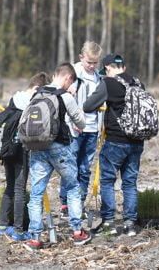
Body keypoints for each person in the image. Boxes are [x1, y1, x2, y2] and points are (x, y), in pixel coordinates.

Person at [24, 63, 92, 249]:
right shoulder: (65, 96)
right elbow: (81, 123)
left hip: (37, 147)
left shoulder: (37, 93)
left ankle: (35, 238)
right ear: (68, 78)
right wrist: (74, 102)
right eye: (71, 82)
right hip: (58, 147)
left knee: (36, 193)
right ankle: (77, 232)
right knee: (73, 187)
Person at [82, 53, 146, 236]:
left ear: (108, 68)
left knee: (108, 181)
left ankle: (109, 222)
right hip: (137, 141)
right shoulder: (138, 83)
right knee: (130, 183)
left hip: (116, 140)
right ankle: (130, 224)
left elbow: (88, 106)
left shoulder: (108, 83)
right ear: (123, 67)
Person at [0, 71, 49, 242]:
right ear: (37, 88)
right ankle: (18, 230)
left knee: (10, 186)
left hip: (7, 150)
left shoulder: (14, 98)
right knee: (20, 189)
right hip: (21, 150)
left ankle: (2, 225)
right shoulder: (32, 103)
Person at [60, 41, 104, 219]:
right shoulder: (73, 74)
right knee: (71, 166)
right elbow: (62, 96)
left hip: (92, 128)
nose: (92, 66)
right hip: (74, 128)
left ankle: (79, 203)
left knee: (85, 169)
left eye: (95, 63)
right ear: (81, 58)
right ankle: (65, 203)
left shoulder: (99, 77)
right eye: (89, 62)